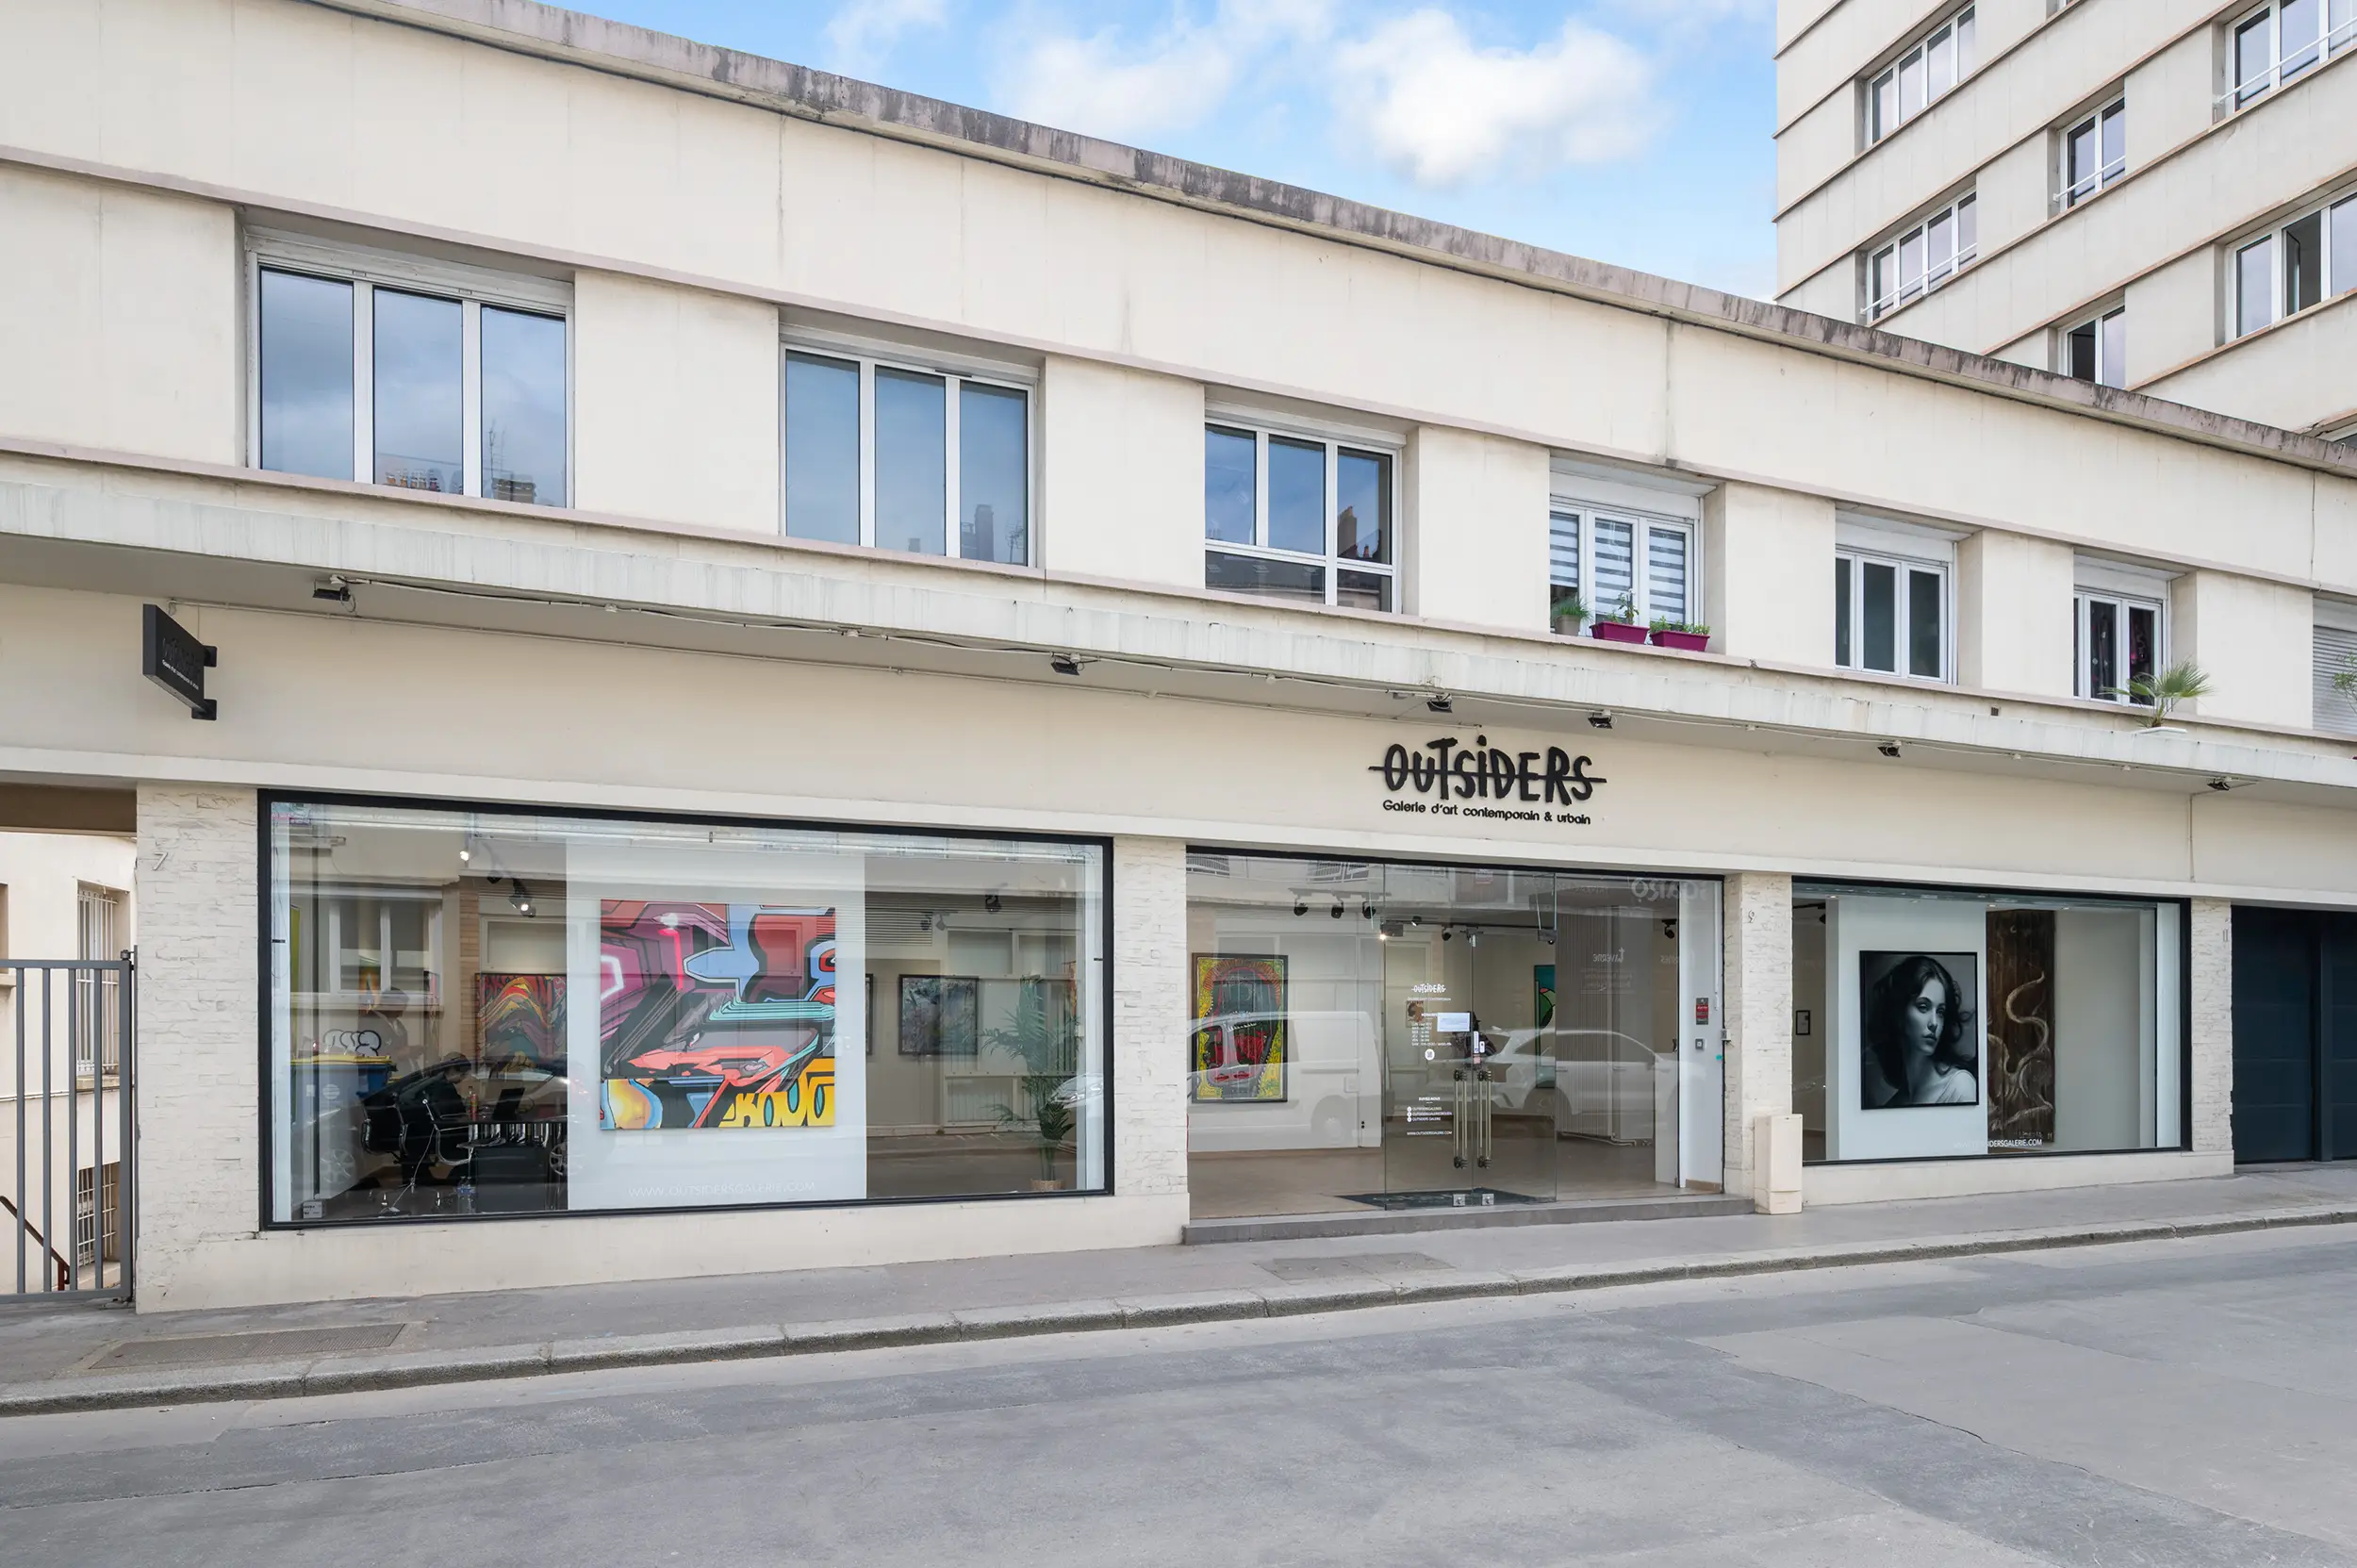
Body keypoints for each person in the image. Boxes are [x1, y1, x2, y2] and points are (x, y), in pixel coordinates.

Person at [1861, 954, 1977, 1109]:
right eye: (1923, 1007)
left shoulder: (1960, 1087)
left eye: (1940, 1012)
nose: (1934, 1023)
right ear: (1899, 1013)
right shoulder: (1894, 1105)